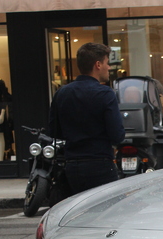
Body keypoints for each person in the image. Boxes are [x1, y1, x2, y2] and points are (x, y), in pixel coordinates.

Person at [48, 42, 125, 195]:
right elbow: (117, 135)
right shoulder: (105, 94)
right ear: (98, 65)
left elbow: (54, 131)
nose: (109, 67)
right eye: (107, 63)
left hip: (72, 166)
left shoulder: (62, 93)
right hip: (100, 163)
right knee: (105, 211)